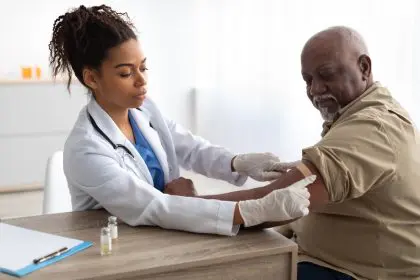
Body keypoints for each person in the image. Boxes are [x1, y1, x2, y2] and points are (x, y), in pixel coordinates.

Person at [49, 5, 313, 236]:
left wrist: (238, 163)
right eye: (126, 73)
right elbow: (152, 206)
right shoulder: (86, 147)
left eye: (143, 67)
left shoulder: (144, 111)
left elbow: (191, 148)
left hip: (163, 232)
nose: (141, 80)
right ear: (92, 78)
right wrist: (248, 210)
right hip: (116, 245)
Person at [254, 26, 420, 280]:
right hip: (326, 259)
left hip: (354, 273)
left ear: (364, 68)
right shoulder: (358, 113)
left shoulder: (373, 127)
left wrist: (183, 206)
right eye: (308, 80)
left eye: (326, 75)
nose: (315, 89)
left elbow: (269, 203)